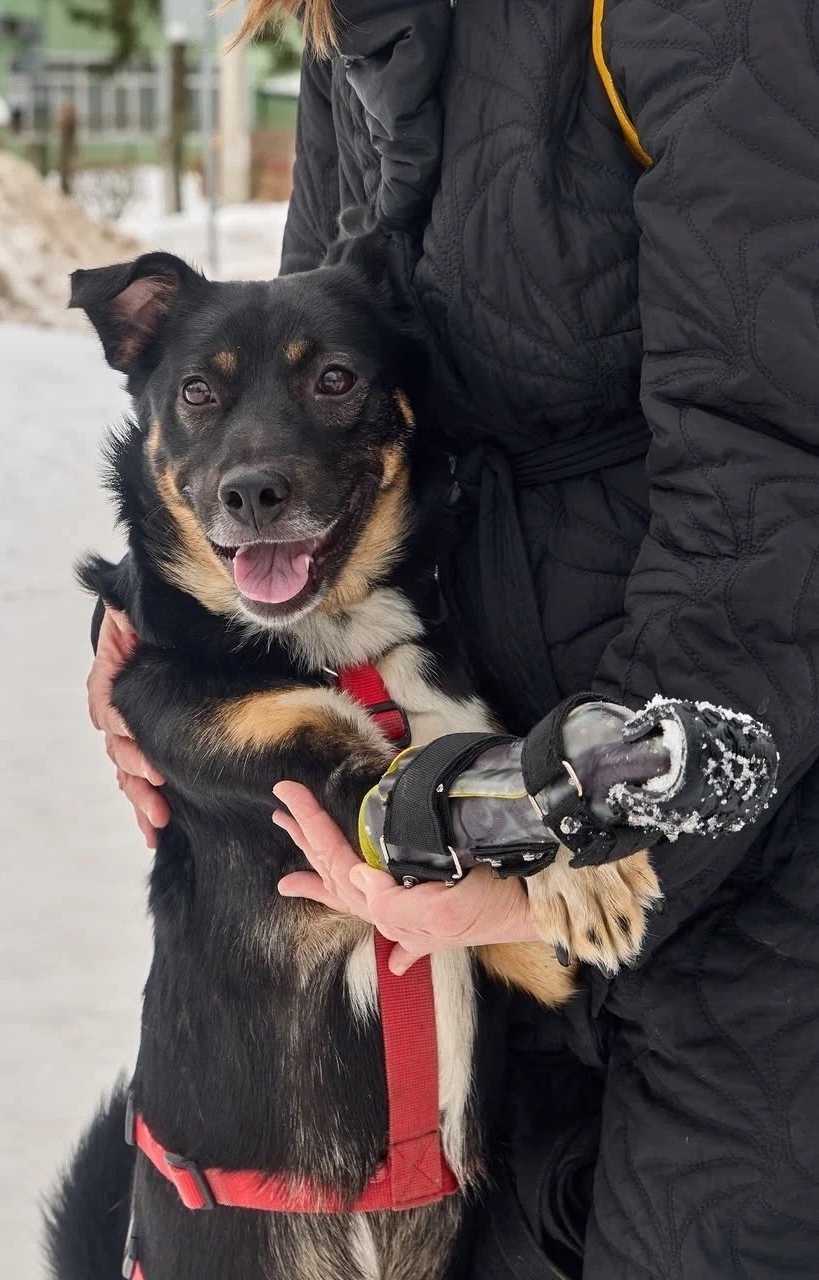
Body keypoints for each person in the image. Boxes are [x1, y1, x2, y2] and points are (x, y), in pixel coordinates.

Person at [88, 2, 819, 1275]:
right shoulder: (346, 17)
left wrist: (603, 815)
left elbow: (775, 457)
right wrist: (165, 631)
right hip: (473, 834)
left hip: (722, 854)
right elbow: (308, 340)